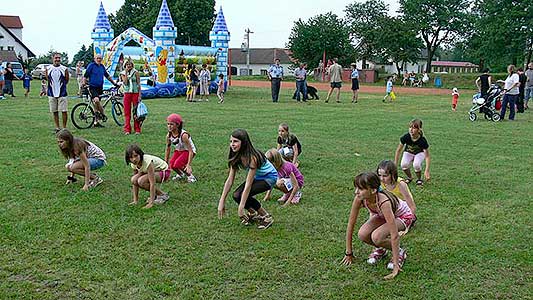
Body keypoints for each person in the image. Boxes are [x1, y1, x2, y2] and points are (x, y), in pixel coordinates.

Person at [341, 172, 415, 280]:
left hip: (404, 216)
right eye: (356, 187)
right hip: (383, 215)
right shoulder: (359, 198)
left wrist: (395, 265)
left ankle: (400, 252)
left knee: (377, 237)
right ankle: (381, 250)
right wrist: (349, 253)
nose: (356, 192)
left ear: (373, 190)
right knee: (362, 234)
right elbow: (351, 224)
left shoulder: (384, 202)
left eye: (361, 189)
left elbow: (394, 235)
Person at [217, 129, 276, 229]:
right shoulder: (235, 155)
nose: (232, 144)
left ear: (243, 143)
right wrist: (222, 201)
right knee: (236, 195)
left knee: (243, 194)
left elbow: (248, 184)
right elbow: (230, 180)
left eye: (235, 141)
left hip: (269, 177)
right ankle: (253, 213)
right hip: (258, 177)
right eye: (231, 141)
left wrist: (241, 207)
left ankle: (266, 217)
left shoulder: (252, 157)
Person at [125, 144, 170, 209]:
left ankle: (162, 195)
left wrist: (151, 203)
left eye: (136, 156)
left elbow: (152, 183)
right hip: (152, 171)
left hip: (164, 171)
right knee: (134, 179)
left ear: (140, 154)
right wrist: (135, 200)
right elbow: (134, 183)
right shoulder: (134, 164)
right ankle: (157, 195)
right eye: (131, 157)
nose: (134, 159)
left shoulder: (147, 162)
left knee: (141, 181)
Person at [83, 54, 119, 127]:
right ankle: (102, 114)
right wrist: (84, 84)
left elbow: (107, 76)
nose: (99, 60)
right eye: (97, 58)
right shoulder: (91, 66)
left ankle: (96, 122)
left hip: (100, 87)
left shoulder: (102, 67)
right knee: (96, 101)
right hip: (93, 87)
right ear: (94, 59)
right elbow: (85, 75)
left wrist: (114, 83)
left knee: (96, 106)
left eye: (100, 58)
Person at [394, 119, 431, 186]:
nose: (411, 129)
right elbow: (398, 151)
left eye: (414, 128)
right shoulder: (406, 137)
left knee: (416, 164)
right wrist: (395, 165)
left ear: (419, 130)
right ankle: (410, 177)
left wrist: (427, 171)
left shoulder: (422, 140)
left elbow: (427, 156)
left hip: (419, 153)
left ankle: (419, 179)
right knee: (404, 164)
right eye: (410, 127)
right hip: (409, 152)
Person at [164, 113, 197, 183]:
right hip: (179, 150)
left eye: (171, 124)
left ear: (178, 125)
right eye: (168, 124)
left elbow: (190, 150)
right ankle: (181, 174)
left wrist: (188, 165)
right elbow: (168, 148)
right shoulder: (169, 135)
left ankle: (190, 176)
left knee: (178, 164)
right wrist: (165, 162)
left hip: (188, 151)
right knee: (172, 164)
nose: (169, 126)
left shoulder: (184, 135)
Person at [46, 53, 70, 132]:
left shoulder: (64, 69)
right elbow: (48, 79)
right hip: (51, 93)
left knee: (64, 110)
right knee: (54, 111)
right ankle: (57, 127)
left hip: (62, 93)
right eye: (56, 58)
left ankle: (64, 128)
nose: (57, 59)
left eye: (59, 58)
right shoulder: (48, 68)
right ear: (52, 58)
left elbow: (66, 80)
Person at [120, 59, 142, 135]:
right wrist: (126, 72)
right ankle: (127, 129)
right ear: (125, 65)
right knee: (127, 112)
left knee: (135, 111)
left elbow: (139, 84)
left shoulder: (136, 72)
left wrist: (139, 94)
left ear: (132, 65)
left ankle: (137, 129)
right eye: (127, 64)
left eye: (130, 64)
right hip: (127, 93)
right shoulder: (122, 73)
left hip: (135, 93)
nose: (129, 65)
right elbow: (125, 83)